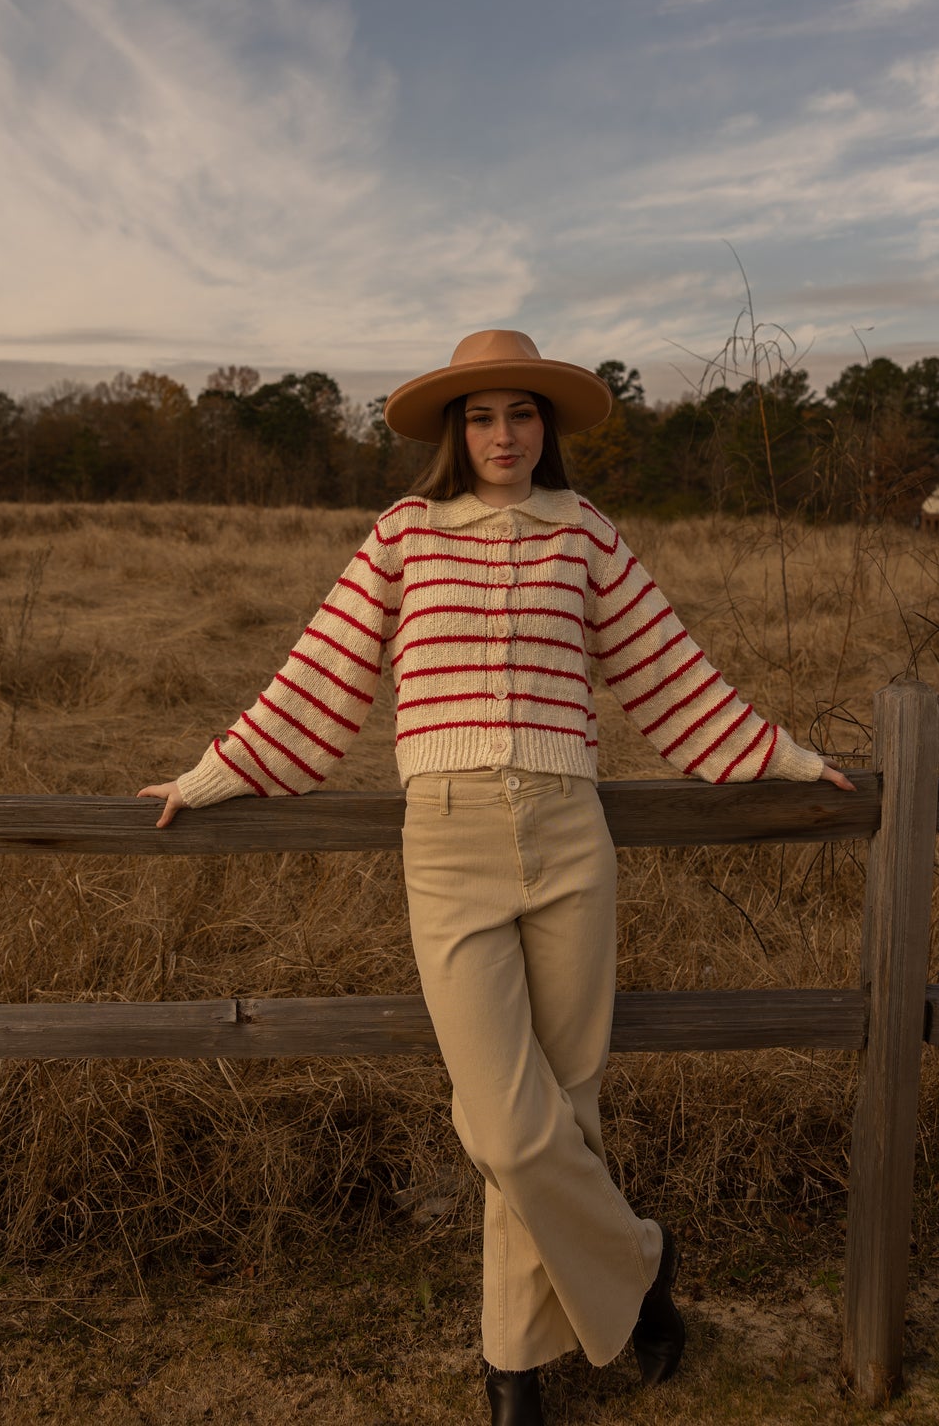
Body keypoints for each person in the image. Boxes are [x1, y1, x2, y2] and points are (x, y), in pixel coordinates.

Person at [140, 329, 855, 1426]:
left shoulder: (589, 538)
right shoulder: (404, 536)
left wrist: (786, 757)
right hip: (451, 837)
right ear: (453, 432)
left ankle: (513, 1370)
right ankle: (642, 1263)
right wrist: (213, 770)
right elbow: (322, 673)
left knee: (565, 1109)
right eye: (483, 417)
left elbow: (669, 673)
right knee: (507, 1124)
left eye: (523, 415)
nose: (505, 435)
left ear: (546, 429)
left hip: (571, 834)